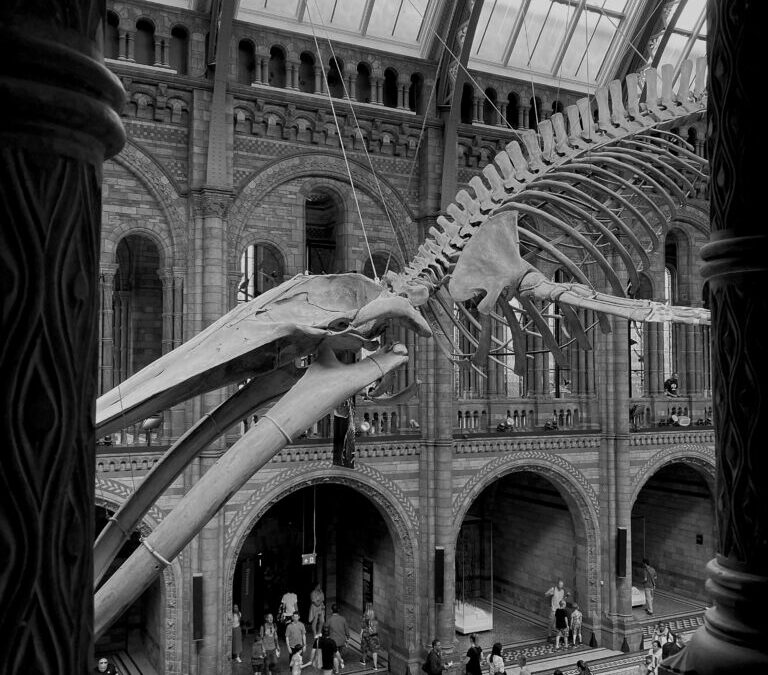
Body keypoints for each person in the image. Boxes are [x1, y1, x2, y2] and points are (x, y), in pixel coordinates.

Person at [326, 604, 349, 673]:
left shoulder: (329, 620)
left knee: (335, 656)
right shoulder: (343, 619)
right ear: (338, 610)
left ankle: (337, 670)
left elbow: (325, 630)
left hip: (333, 641)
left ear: (331, 610)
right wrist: (348, 638)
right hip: (342, 640)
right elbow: (347, 630)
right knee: (339, 653)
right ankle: (340, 662)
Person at [360, 602, 380, 669]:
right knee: (374, 650)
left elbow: (363, 626)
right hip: (374, 635)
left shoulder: (365, 615)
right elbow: (377, 624)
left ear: (366, 607)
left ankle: (363, 661)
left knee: (365, 648)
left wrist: (361, 634)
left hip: (366, 634)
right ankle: (375, 666)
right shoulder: (375, 615)